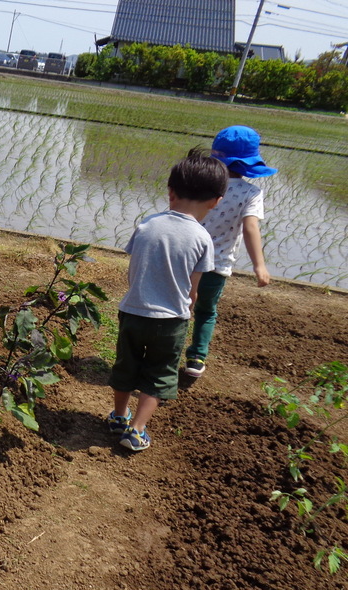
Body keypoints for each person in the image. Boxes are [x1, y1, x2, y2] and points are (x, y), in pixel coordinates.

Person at [107, 149, 228, 452]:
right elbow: (193, 290)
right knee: (159, 373)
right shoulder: (202, 238)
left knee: (126, 365)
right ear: (216, 201)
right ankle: (137, 430)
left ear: (170, 191)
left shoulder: (148, 225)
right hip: (171, 320)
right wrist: (188, 303)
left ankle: (119, 417)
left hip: (133, 312)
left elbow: (134, 270)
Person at [183, 125, 276, 379]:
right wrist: (259, 265)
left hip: (185, 259)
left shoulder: (202, 183)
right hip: (216, 265)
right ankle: (196, 358)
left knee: (179, 305)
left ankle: (167, 351)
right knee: (205, 311)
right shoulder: (250, 193)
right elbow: (250, 227)